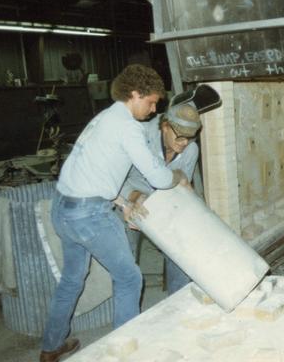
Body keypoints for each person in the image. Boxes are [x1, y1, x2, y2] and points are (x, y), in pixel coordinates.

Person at [39, 64, 188, 362]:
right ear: (135, 95)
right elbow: (159, 178)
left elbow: (92, 174)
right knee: (130, 278)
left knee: (72, 279)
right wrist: (179, 177)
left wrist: (122, 203)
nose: (154, 108)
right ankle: (125, 352)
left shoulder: (103, 119)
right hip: (89, 216)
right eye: (151, 101)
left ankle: (51, 347)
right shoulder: (128, 127)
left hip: (64, 210)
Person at [120, 102, 201, 295]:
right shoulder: (140, 137)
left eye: (190, 138)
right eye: (180, 136)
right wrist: (134, 196)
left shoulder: (191, 149)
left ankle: (177, 303)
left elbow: (179, 189)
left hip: (163, 204)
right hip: (129, 200)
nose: (184, 143)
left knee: (180, 253)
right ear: (165, 126)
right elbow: (116, 179)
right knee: (126, 266)